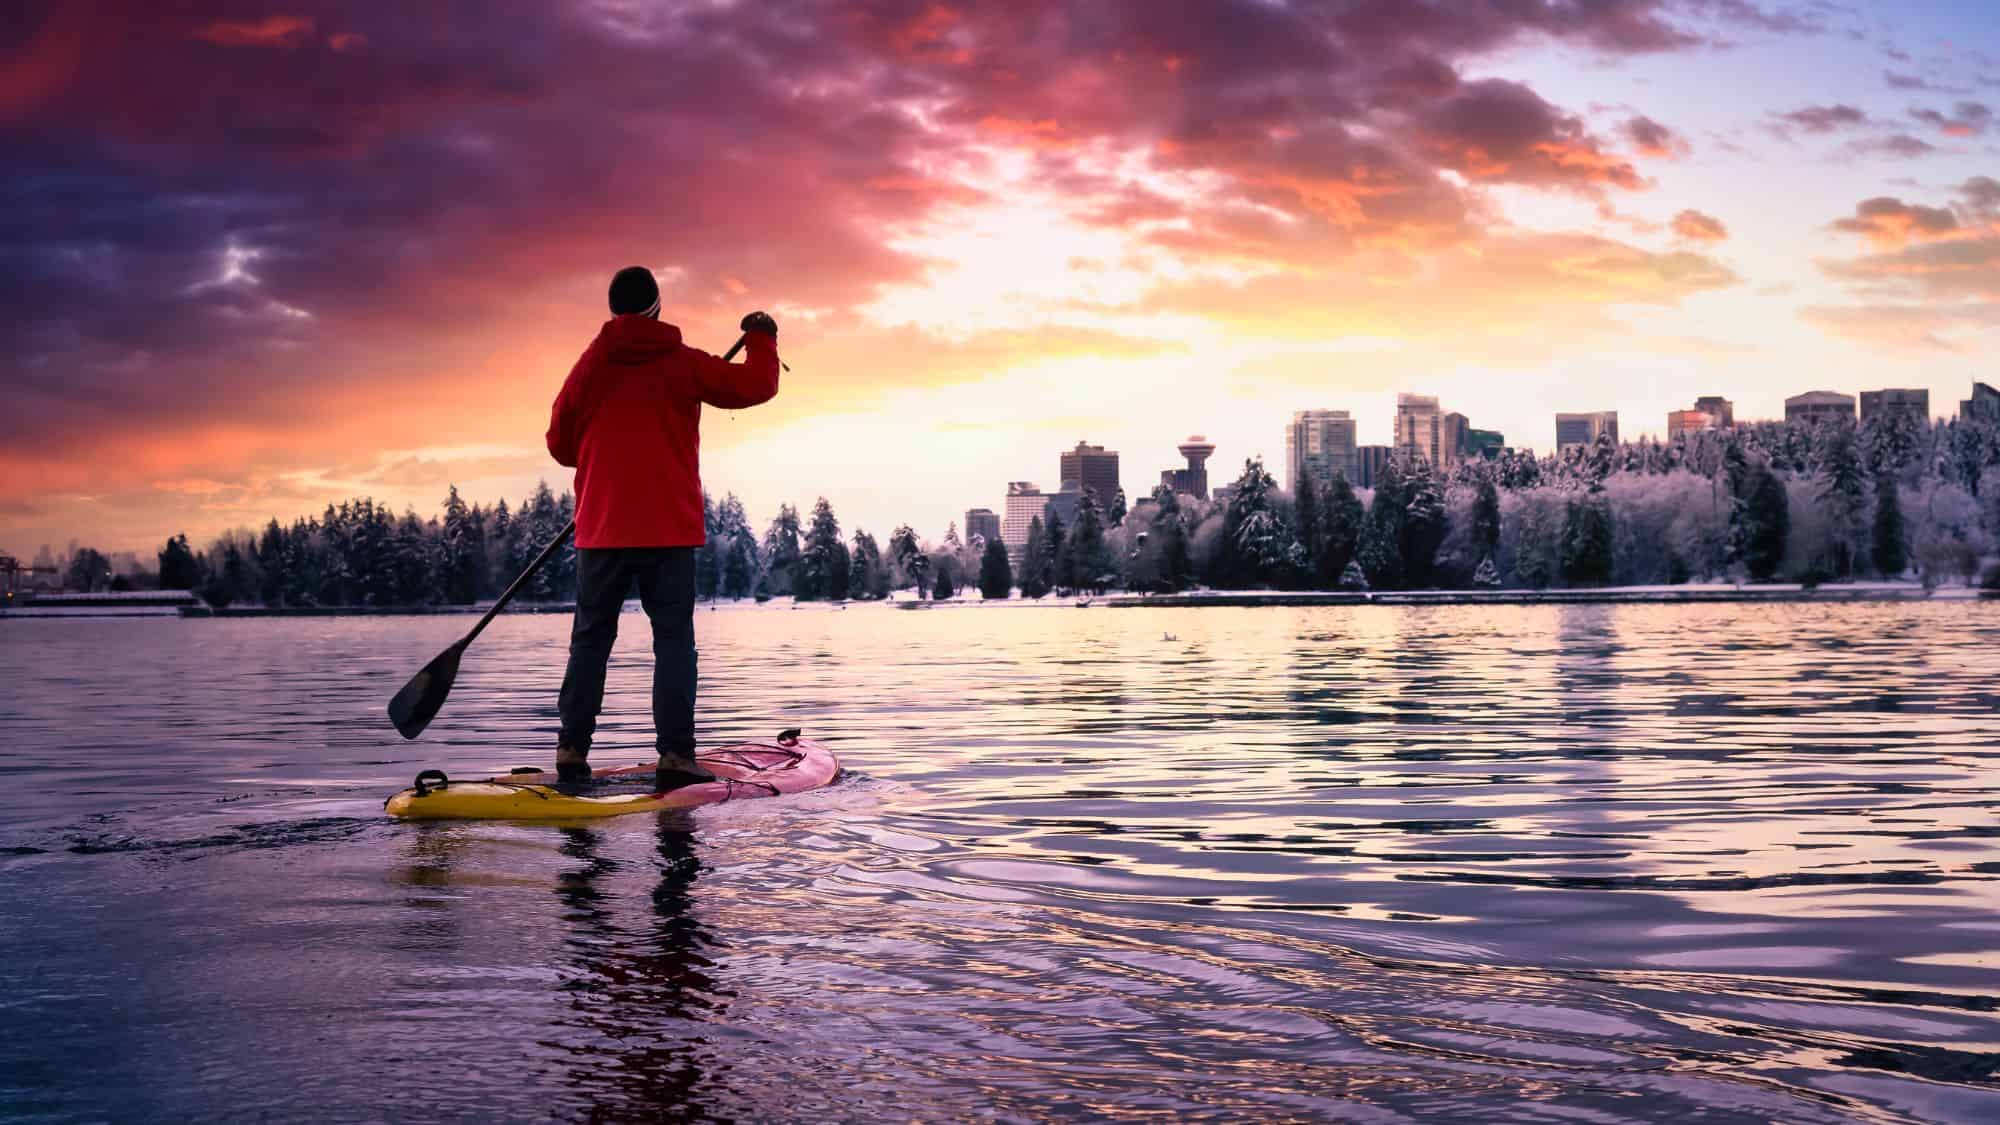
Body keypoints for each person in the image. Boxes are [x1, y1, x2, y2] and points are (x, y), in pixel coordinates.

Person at [545, 266, 780, 789]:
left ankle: (571, 750)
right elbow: (757, 385)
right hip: (668, 531)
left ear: (613, 311)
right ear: (657, 307)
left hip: (603, 529)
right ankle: (675, 754)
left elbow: (560, 445)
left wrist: (603, 452)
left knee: (590, 642)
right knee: (673, 643)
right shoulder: (683, 363)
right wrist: (762, 337)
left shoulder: (589, 367)